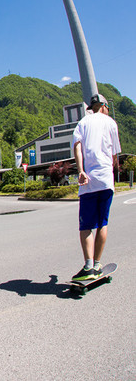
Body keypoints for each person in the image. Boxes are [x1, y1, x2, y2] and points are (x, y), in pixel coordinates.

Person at [70, 94, 121, 282]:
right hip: (106, 180)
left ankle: (88, 265)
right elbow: (115, 155)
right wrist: (111, 169)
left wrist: (81, 170)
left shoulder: (82, 123)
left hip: (88, 181)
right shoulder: (111, 123)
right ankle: (98, 264)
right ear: (104, 106)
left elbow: (77, 147)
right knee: (102, 223)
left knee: (86, 226)